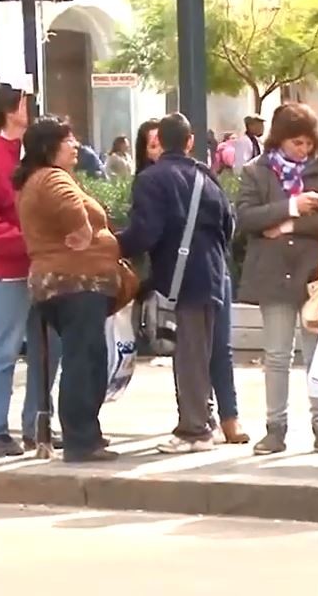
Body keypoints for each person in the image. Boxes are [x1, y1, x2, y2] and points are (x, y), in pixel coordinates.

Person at [120, 113, 235, 453]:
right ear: (189, 142)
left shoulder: (151, 179)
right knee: (197, 352)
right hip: (210, 274)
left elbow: (145, 232)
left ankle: (194, 430)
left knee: (188, 355)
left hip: (177, 278)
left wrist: (114, 245)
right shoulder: (207, 178)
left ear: (160, 142)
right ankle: (202, 421)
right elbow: (229, 225)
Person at [236, 103, 318, 455]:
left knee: (317, 354)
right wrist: (294, 206)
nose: (305, 150)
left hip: (313, 272)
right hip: (273, 273)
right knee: (278, 353)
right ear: (280, 139)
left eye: (309, 143)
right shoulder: (256, 171)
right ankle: (275, 426)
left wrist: (286, 224)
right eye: (297, 142)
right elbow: (247, 218)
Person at [15, 117, 122, 463]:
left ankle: (85, 433)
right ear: (49, 148)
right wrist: (83, 233)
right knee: (83, 359)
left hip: (63, 283)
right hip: (75, 283)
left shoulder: (37, 179)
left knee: (84, 358)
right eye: (68, 140)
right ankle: (80, 438)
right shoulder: (53, 177)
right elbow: (70, 208)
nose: (75, 146)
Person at [0, 83, 64, 456]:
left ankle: (37, 424)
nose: (33, 108)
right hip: (11, 268)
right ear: (12, 109)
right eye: (27, 102)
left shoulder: (34, 155)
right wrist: (29, 240)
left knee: (48, 349)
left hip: (42, 266)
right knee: (4, 350)